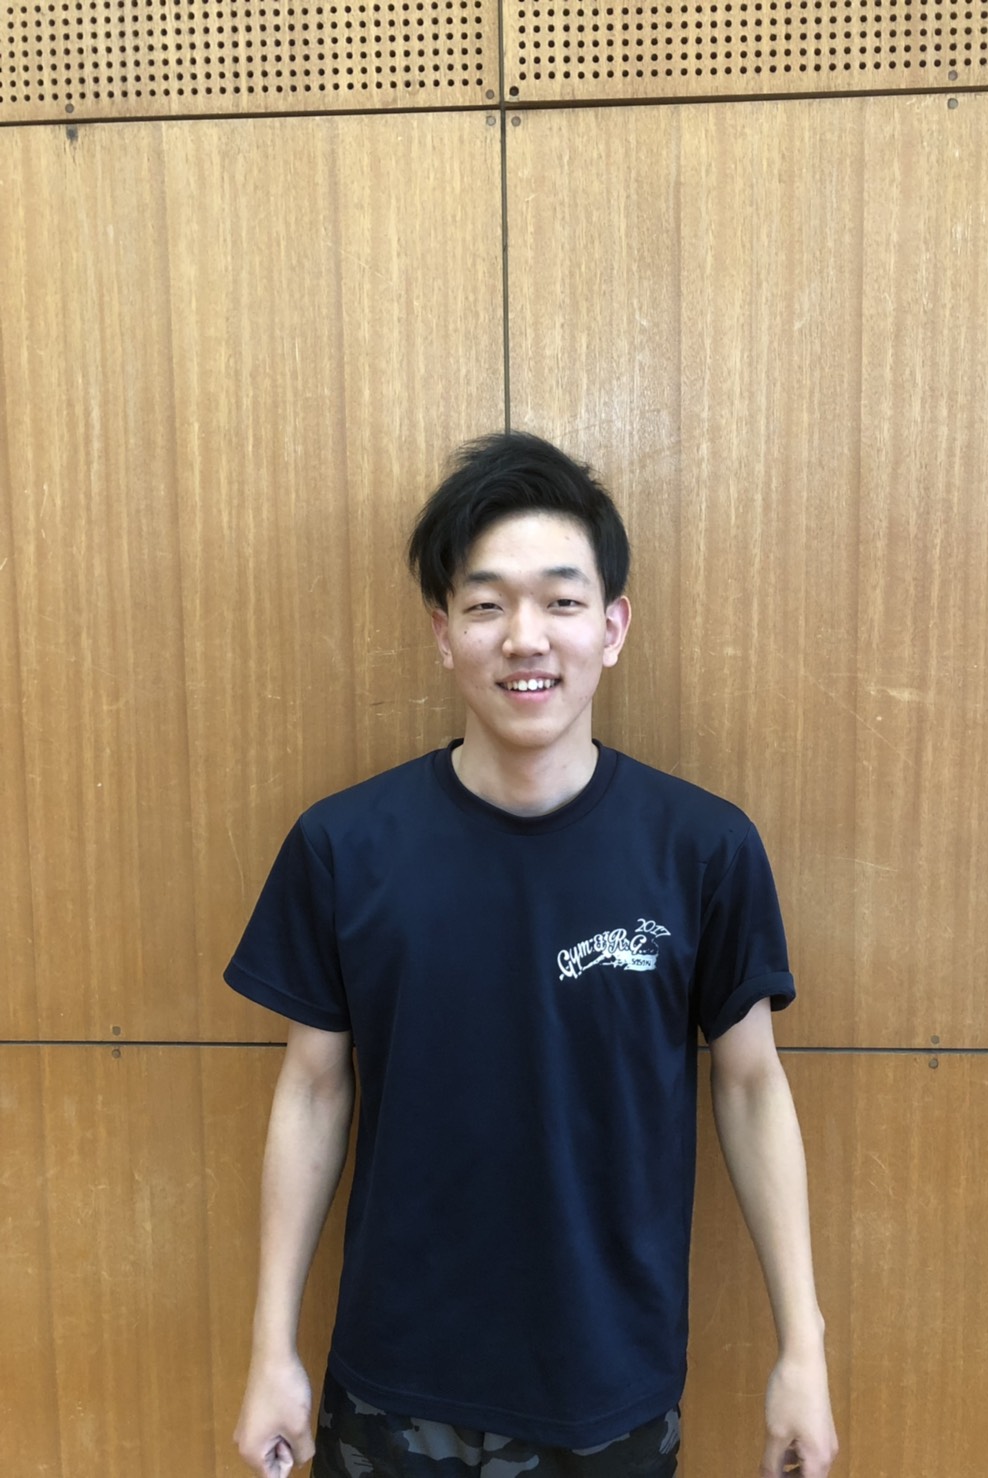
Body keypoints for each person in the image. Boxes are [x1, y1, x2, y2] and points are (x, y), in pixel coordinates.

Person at [228, 432, 838, 1478]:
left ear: (612, 626)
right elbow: (315, 1090)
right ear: (443, 632)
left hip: (612, 1390)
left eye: (560, 600)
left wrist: (804, 1351)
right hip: (394, 1385)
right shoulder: (344, 846)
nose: (525, 637)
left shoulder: (702, 848)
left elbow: (749, 1087)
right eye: (485, 604)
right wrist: (270, 1348)